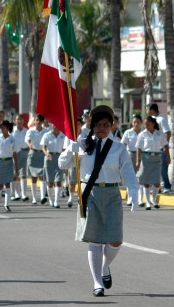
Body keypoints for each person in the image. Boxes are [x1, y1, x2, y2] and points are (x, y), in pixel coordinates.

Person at [58, 105, 139, 297]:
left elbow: (127, 170)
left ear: (112, 126)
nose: (101, 128)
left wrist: (133, 191)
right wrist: (71, 150)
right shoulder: (83, 144)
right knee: (94, 240)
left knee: (116, 240)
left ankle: (104, 268)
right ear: (92, 126)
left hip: (111, 194)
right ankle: (97, 282)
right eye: (97, 125)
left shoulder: (118, 148)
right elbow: (62, 164)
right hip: (90, 194)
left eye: (105, 125)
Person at [135, 116, 170, 210]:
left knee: (157, 182)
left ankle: (153, 199)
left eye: (147, 124)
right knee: (146, 181)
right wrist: (137, 161)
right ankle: (147, 202)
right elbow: (138, 148)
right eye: (145, 124)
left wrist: (168, 157)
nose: (145, 125)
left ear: (153, 124)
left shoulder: (159, 134)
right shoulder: (142, 134)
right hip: (146, 157)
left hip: (157, 158)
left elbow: (165, 145)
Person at [0, 120, 19, 212]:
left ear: (7, 128)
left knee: (7, 183)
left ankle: (7, 205)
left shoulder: (12, 139)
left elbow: (14, 154)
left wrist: (16, 167)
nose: (1, 129)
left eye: (3, 127)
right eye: (1, 127)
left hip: (8, 162)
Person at [147, 103, 171, 193]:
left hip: (161, 148)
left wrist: (165, 146)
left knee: (163, 169)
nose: (147, 111)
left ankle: (167, 186)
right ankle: (157, 187)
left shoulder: (161, 119)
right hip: (152, 149)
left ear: (152, 110)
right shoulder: (150, 120)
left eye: (147, 109)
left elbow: (168, 132)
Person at [41, 125, 66, 208]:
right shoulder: (47, 135)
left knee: (59, 180)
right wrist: (47, 153)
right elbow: (43, 147)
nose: (56, 126)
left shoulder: (63, 135)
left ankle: (56, 201)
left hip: (59, 157)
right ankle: (51, 200)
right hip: (49, 158)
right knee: (50, 182)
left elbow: (64, 148)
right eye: (54, 124)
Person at [25, 114, 48, 204]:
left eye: (39, 120)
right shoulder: (31, 131)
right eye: (36, 120)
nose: (38, 122)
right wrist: (29, 144)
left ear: (42, 122)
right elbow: (27, 139)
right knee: (33, 177)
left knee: (42, 176)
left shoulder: (46, 131)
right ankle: (34, 198)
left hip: (42, 154)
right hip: (33, 153)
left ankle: (42, 197)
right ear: (34, 121)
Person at [121, 114, 143, 205]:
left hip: (142, 155)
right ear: (132, 123)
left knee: (141, 177)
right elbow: (123, 145)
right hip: (130, 155)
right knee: (130, 177)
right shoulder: (128, 132)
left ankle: (140, 199)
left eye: (138, 122)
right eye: (134, 122)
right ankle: (130, 197)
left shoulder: (144, 133)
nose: (136, 124)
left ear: (141, 123)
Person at [12, 115, 29, 202]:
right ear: (15, 121)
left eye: (21, 120)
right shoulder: (12, 131)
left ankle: (23, 194)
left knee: (23, 174)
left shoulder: (26, 131)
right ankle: (15, 193)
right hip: (14, 153)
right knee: (15, 174)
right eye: (18, 119)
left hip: (24, 152)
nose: (19, 121)